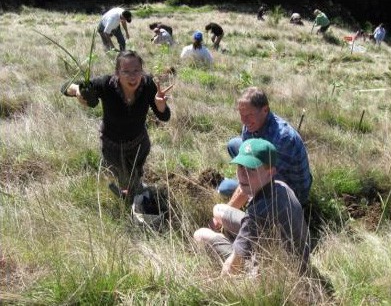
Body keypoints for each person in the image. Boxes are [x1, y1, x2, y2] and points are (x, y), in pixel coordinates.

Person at [61, 50, 173, 206]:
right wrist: (78, 91)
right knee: (124, 176)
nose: (132, 76)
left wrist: (161, 105)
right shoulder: (106, 84)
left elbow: (165, 116)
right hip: (112, 146)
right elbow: (66, 86)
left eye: (136, 70)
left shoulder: (148, 85)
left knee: (137, 171)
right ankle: (129, 200)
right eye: (126, 71)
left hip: (139, 142)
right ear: (117, 73)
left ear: (142, 70)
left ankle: (133, 192)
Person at [194, 138, 310, 275]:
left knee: (200, 234)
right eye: (240, 166)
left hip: (277, 273)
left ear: (270, 172)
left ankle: (229, 240)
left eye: (251, 169)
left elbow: (232, 267)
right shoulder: (280, 186)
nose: (242, 174)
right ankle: (231, 236)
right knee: (218, 209)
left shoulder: (258, 213)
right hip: (296, 255)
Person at [218, 87, 312, 208]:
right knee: (233, 144)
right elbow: (248, 158)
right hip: (266, 172)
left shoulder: (282, 138)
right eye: (241, 115)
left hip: (291, 194)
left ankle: (255, 200)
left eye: (249, 114)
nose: (244, 120)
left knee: (224, 188)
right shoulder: (252, 124)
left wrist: (225, 213)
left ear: (265, 110)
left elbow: (263, 177)